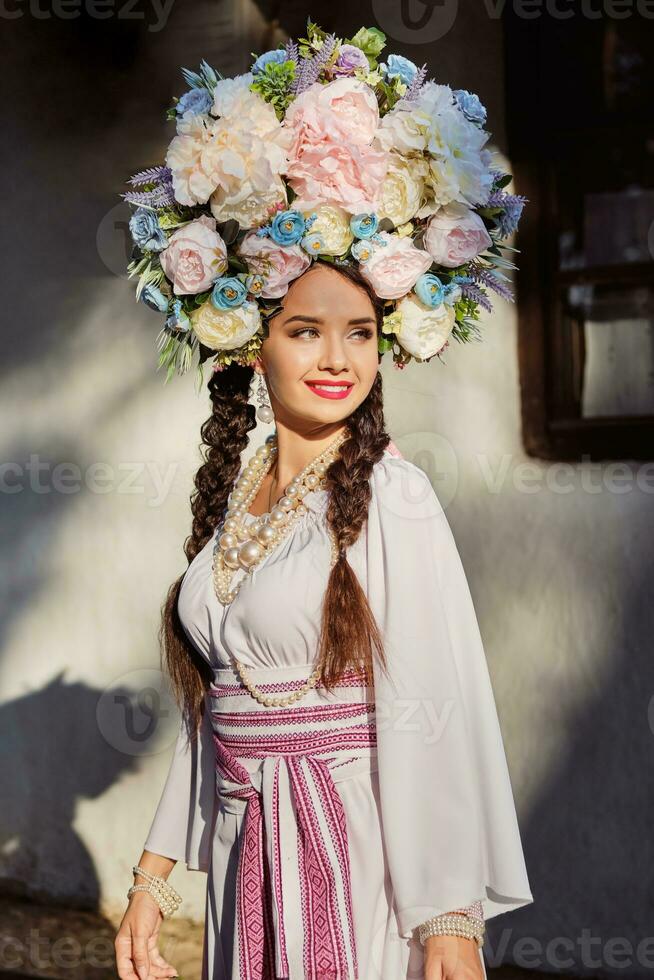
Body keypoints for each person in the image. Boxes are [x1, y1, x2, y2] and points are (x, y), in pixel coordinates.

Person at [114, 261, 533, 980]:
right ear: (252, 344)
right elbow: (223, 706)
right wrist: (153, 877)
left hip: (353, 841)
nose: (339, 359)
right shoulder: (239, 499)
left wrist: (447, 914)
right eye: (306, 331)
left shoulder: (391, 491)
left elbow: (433, 703)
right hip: (244, 839)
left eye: (360, 334)